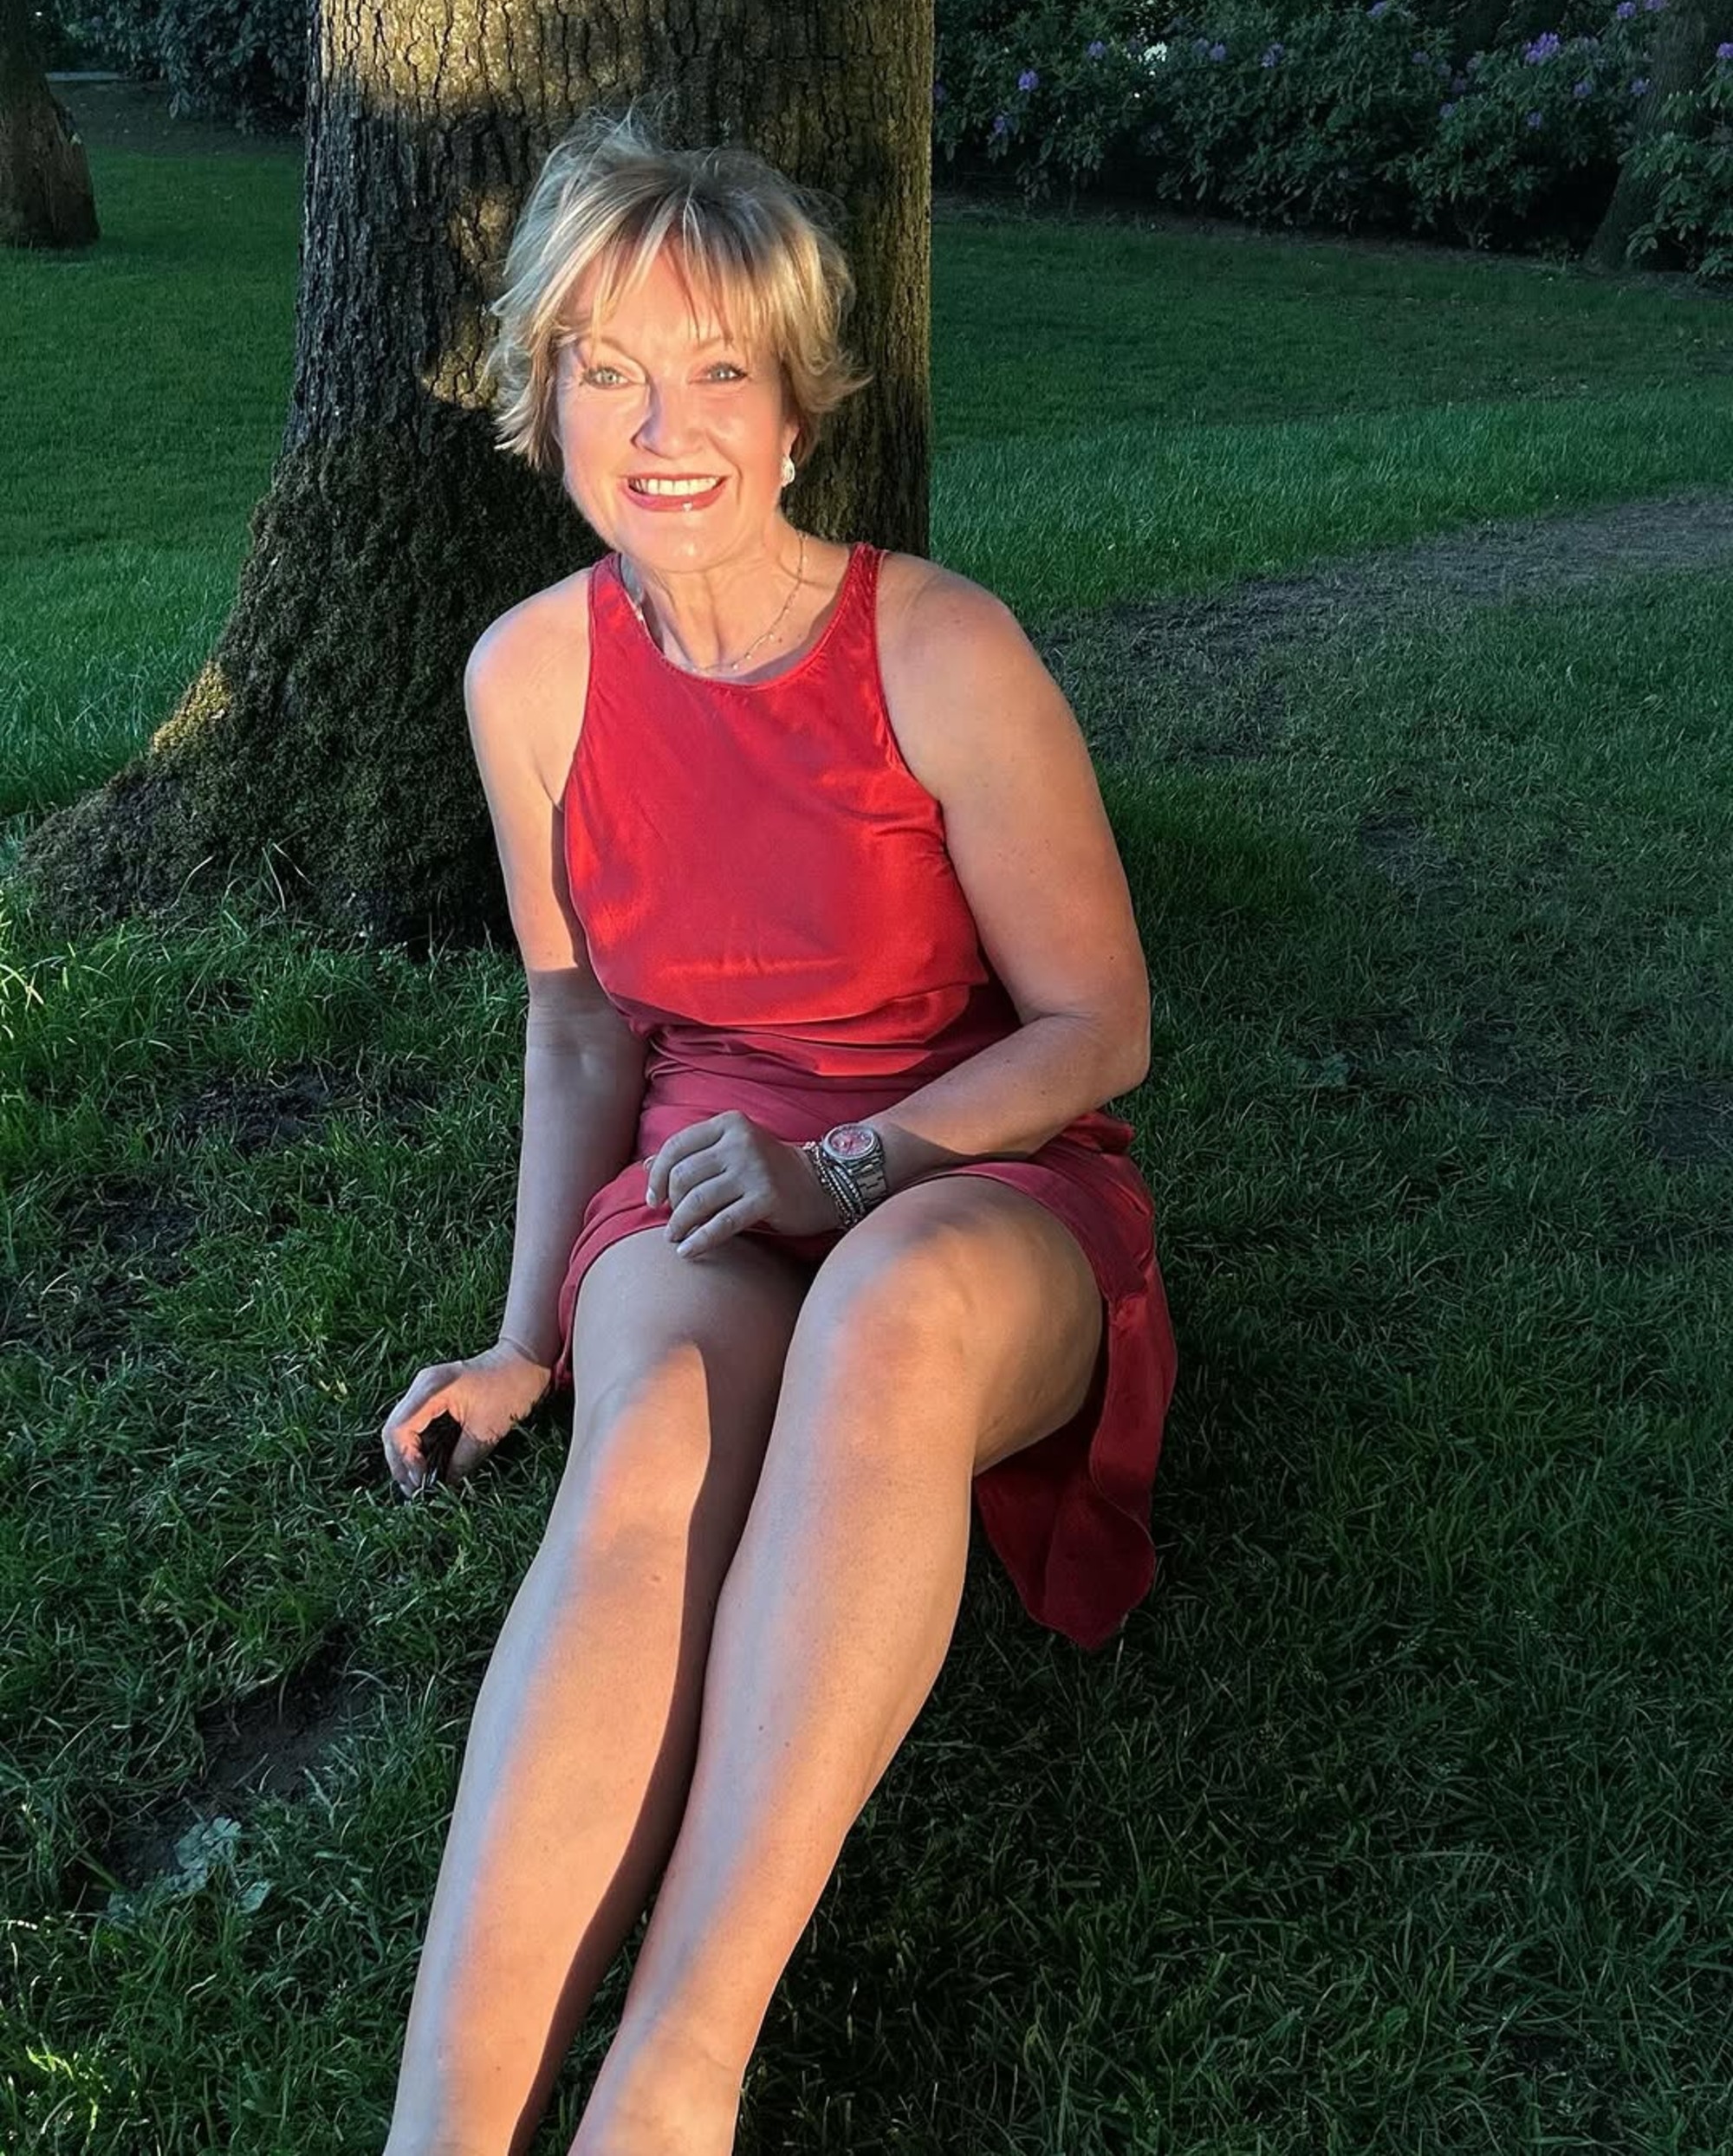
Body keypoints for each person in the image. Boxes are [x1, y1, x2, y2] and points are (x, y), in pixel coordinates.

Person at [377, 106, 1179, 2156]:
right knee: (647, 1440)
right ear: (543, 394)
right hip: (705, 1164)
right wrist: (528, 1339)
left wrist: (854, 1165)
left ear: (799, 408)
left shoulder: (938, 645)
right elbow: (578, 1026)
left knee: (885, 1322)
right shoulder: (526, 678)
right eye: (608, 368)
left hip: (971, 1164)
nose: (663, 427)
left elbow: (1098, 1027)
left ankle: (675, 2077)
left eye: (717, 367)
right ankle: (444, 2130)